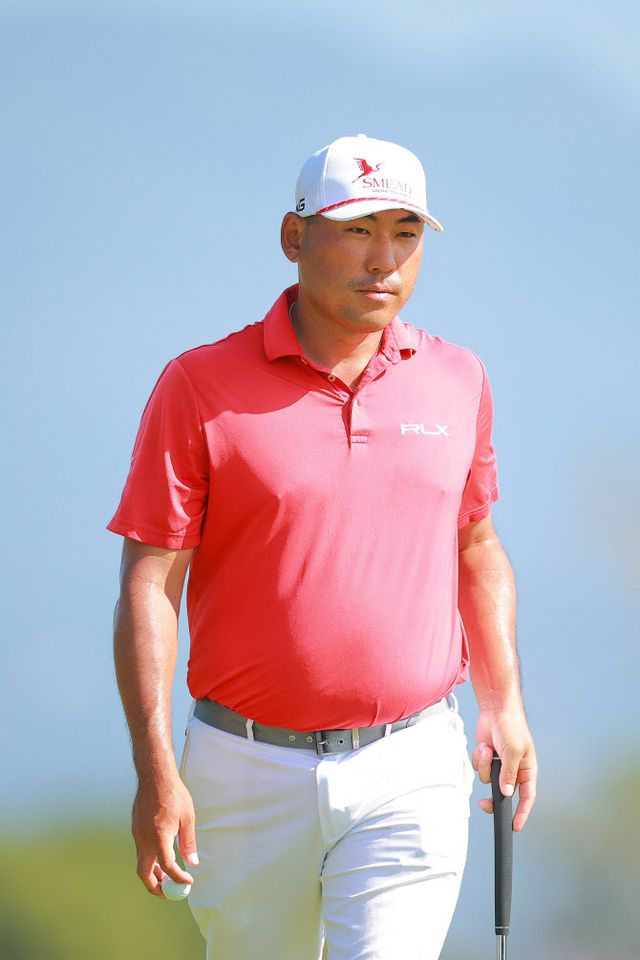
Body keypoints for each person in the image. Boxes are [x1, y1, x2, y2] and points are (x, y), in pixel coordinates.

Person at [108, 133, 537, 960]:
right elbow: (151, 585)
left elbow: (477, 545)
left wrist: (503, 701)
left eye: (405, 234)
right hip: (243, 769)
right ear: (294, 237)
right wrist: (156, 769)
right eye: (357, 231)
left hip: (412, 760)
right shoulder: (199, 385)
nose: (384, 259)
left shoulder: (458, 378)